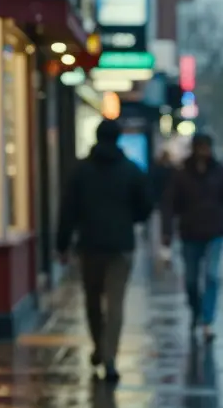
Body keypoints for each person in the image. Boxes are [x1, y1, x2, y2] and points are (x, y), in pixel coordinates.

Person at [56, 118, 152, 382]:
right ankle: (110, 357)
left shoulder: (80, 171)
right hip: (121, 245)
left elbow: (68, 210)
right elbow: (145, 207)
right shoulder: (131, 170)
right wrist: (128, 218)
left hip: (90, 245)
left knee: (92, 300)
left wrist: (62, 244)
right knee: (115, 303)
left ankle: (99, 345)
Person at [161, 132, 223, 340]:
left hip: (215, 232)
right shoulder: (181, 174)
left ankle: (207, 320)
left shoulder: (220, 172)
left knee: (212, 275)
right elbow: (169, 204)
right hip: (190, 233)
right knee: (190, 279)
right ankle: (195, 311)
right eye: (200, 147)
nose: (204, 151)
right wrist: (167, 232)